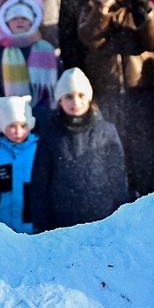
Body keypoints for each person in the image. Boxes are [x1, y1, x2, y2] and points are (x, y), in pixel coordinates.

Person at [79, 0, 154, 195]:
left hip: (141, 89)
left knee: (145, 153)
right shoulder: (93, 4)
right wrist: (103, 7)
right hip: (108, 89)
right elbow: (88, 37)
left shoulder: (139, 1)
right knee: (115, 153)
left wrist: (146, 13)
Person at [27, 68, 128, 231]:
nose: (76, 103)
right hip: (61, 223)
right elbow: (40, 181)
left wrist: (121, 217)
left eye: (81, 95)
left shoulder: (106, 131)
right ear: (59, 100)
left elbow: (118, 177)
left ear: (89, 98)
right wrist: (41, 225)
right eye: (69, 97)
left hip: (102, 220)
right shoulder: (50, 133)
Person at [0, 0, 59, 123]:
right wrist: (0, 114)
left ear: (32, 22)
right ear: (6, 22)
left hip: (45, 123)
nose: (19, 21)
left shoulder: (47, 52)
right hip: (7, 125)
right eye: (14, 18)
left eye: (24, 18)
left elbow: (58, 84)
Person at [0, 94, 39, 232]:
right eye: (12, 126)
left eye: (23, 125)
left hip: (33, 228)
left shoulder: (39, 152)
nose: (18, 131)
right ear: (2, 127)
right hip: (3, 229)